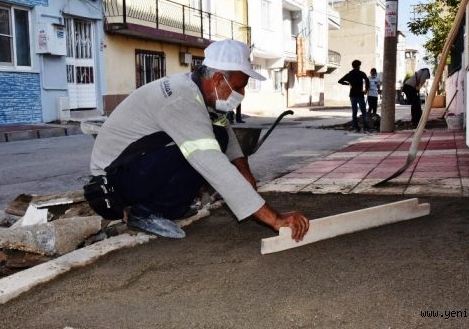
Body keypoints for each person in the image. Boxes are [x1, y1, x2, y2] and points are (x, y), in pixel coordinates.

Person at [87, 39, 309, 240]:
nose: (242, 93)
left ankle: (168, 205)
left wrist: (244, 172)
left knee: (218, 135)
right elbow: (212, 162)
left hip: (133, 168)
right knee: (198, 152)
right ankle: (146, 212)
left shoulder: (197, 89)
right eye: (240, 86)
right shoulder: (182, 100)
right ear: (218, 79)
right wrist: (275, 219)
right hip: (112, 183)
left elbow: (225, 131)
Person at [338, 60, 370, 132]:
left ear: (352, 66)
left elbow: (340, 81)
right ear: (359, 66)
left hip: (352, 95)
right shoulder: (361, 73)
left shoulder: (350, 74)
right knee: (364, 112)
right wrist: (366, 90)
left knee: (354, 112)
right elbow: (367, 80)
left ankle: (356, 127)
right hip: (360, 94)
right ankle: (365, 127)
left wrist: (348, 84)